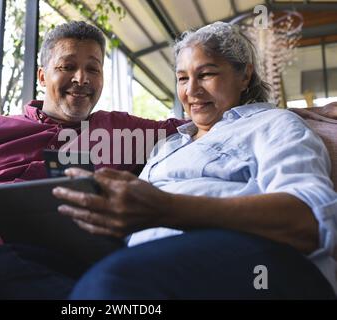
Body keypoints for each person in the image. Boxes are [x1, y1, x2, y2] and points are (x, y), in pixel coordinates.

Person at [0, 20, 335, 299]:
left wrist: (311, 112)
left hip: (25, 250)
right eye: (68, 67)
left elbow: (220, 118)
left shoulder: (129, 133)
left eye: (94, 68)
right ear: (43, 75)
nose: (81, 79)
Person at [53, 22, 337, 299]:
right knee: (20, 263)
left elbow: (310, 220)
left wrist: (166, 208)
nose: (192, 91)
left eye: (206, 74)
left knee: (113, 282)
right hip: (146, 258)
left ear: (245, 76)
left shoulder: (272, 124)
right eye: (182, 78)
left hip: (259, 262)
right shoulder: (168, 146)